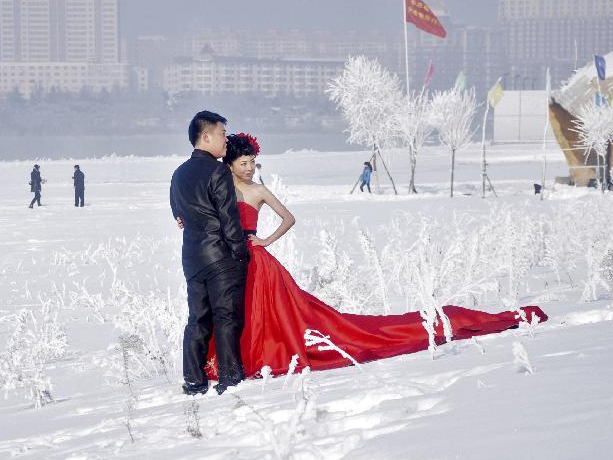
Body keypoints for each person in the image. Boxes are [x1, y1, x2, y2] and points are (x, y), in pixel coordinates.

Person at [205, 133, 548, 378]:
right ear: (230, 164)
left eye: (253, 162)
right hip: (229, 260)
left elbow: (289, 218)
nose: (250, 168)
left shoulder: (259, 190)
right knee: (235, 312)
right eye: (244, 163)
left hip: (257, 260)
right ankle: (232, 362)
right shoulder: (221, 187)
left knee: (269, 315)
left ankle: (261, 358)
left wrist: (264, 240)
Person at [170, 111, 250, 395]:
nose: (225, 141)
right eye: (221, 135)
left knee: (197, 319)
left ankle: (193, 380)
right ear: (205, 137)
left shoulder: (178, 173)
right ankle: (230, 378)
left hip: (192, 257)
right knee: (226, 317)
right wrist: (241, 253)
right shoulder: (218, 172)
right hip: (220, 256)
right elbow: (229, 219)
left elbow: (177, 213)